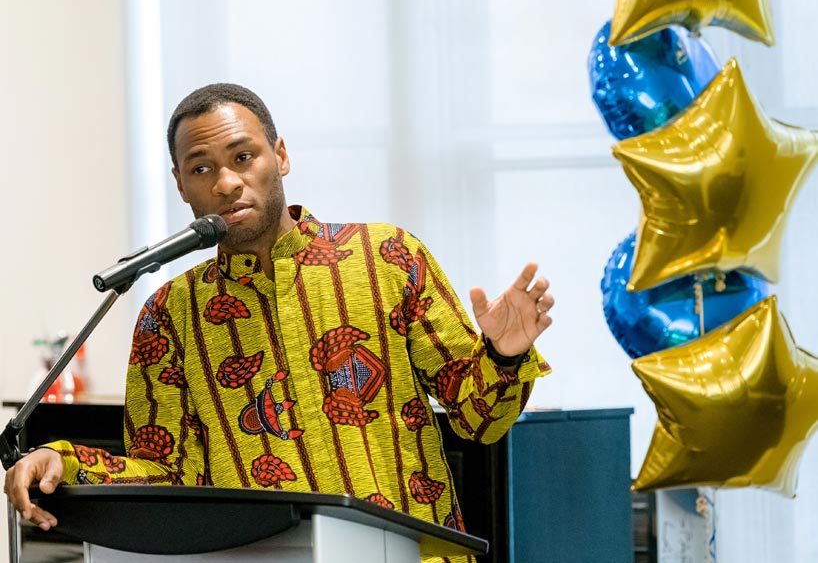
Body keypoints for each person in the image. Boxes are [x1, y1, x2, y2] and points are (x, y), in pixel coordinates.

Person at [5, 84, 554, 562]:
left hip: (403, 553)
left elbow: (482, 423)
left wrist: (503, 355)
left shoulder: (387, 257)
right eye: (201, 168)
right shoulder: (169, 313)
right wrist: (62, 459)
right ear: (180, 185)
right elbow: (161, 470)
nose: (225, 181)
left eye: (243, 157)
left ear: (281, 155)